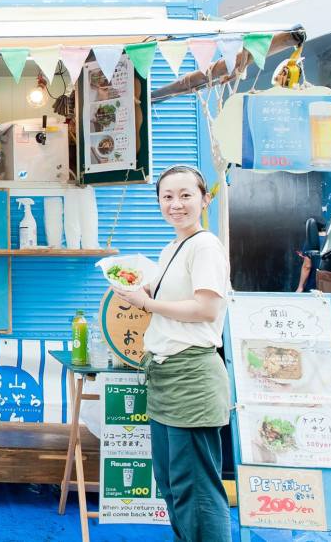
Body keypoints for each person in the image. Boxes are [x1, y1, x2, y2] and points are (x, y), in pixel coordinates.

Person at [119, 165, 231, 542]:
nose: (176, 204)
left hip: (192, 376)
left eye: (185, 195)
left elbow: (206, 309)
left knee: (196, 490)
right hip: (166, 376)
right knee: (172, 483)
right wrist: (135, 288)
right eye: (167, 197)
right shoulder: (172, 248)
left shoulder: (205, 245)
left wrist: (147, 304)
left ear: (205, 199)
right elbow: (161, 294)